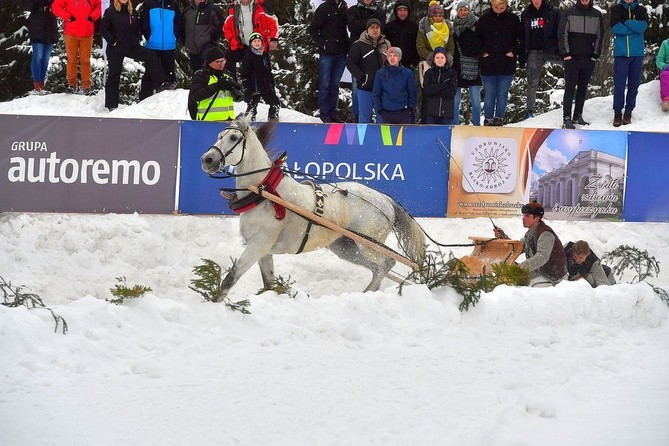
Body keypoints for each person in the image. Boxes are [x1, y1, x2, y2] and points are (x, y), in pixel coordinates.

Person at [100, 0, 175, 111]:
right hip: (115, 49)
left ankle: (161, 83)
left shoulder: (132, 11)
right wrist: (112, 41)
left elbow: (138, 28)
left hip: (131, 47)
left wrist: (137, 38)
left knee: (151, 55)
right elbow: (103, 28)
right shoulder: (111, 11)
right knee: (114, 75)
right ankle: (111, 105)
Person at [493, 201, 568, 287]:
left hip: (554, 278)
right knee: (512, 283)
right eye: (523, 215)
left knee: (524, 288)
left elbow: (542, 257)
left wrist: (521, 267)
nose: (523, 218)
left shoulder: (545, 233)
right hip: (541, 272)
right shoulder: (531, 232)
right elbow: (518, 247)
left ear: (537, 218)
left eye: (527, 216)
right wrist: (503, 237)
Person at [558, 0, 604, 129]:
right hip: (571, 58)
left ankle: (577, 115)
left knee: (583, 88)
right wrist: (566, 53)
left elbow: (600, 36)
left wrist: (595, 55)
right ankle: (566, 117)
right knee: (570, 87)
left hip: (588, 58)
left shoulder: (596, 14)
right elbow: (562, 33)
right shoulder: (569, 12)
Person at [476, 0, 523, 126]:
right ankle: (488, 118)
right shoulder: (484, 19)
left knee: (502, 93)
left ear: (506, 5)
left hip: (506, 63)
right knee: (489, 94)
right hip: (488, 63)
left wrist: (514, 51)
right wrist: (482, 52)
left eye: (501, 7)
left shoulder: (513, 19)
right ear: (491, 5)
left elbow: (521, 39)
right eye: (496, 7)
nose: (498, 9)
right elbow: (477, 39)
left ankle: (499, 118)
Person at [308, 0, 349, 123]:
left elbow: (349, 26)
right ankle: (324, 113)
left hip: (341, 52)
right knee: (325, 84)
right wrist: (323, 44)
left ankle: (333, 112)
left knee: (335, 84)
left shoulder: (343, 7)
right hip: (327, 54)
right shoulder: (324, 7)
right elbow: (313, 29)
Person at [346, 0, 386, 122]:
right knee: (356, 92)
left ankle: (381, 140)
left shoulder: (385, 43)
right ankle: (356, 117)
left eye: (376, 27)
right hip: (364, 83)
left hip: (381, 85)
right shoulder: (358, 44)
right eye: (371, 27)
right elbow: (352, 26)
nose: (374, 30)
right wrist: (361, 77)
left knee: (382, 117)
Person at [610, 0, 648, 127]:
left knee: (634, 84)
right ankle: (617, 112)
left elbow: (642, 27)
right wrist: (634, 29)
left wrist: (626, 22)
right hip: (621, 53)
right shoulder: (616, 9)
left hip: (636, 52)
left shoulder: (641, 10)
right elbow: (615, 28)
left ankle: (628, 111)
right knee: (619, 85)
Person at [520, 0, 560, 120]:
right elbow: (523, 35)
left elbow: (560, 30)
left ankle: (572, 100)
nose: (536, 1)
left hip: (551, 49)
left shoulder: (553, 11)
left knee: (570, 68)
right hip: (534, 51)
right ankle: (529, 111)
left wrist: (559, 48)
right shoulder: (526, 13)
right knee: (532, 82)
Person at [52, 0, 101, 95]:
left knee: (85, 61)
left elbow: (99, 6)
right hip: (71, 32)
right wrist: (68, 17)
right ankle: (71, 84)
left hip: (87, 32)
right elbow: (56, 7)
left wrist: (92, 17)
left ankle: (86, 86)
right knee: (71, 60)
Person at [138, 0, 184, 101]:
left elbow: (178, 21)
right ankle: (143, 100)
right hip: (152, 45)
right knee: (149, 74)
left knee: (169, 74)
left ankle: (168, 103)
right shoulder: (149, 3)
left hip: (169, 46)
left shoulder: (173, 4)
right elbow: (143, 21)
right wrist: (148, 36)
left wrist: (174, 36)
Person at [223, 0, 279, 81]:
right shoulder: (233, 8)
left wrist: (274, 39)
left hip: (258, 46)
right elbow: (226, 28)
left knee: (261, 73)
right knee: (228, 58)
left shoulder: (262, 6)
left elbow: (273, 23)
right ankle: (232, 85)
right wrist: (232, 40)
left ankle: (264, 91)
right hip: (240, 45)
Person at [188, 47, 242, 121]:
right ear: (210, 62)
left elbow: (238, 98)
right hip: (208, 120)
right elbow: (196, 96)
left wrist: (235, 90)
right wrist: (217, 86)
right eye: (218, 62)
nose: (221, 64)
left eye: (223, 61)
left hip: (228, 120)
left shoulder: (227, 75)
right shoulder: (201, 75)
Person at [451, 1, 482, 125]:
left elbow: (481, 43)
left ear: (469, 11)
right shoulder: (453, 27)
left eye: (465, 9)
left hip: (473, 65)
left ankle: (476, 124)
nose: (463, 12)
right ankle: (454, 124)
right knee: (455, 100)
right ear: (457, 12)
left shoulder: (476, 25)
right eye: (461, 10)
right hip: (457, 66)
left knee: (476, 101)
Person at [239, 32, 280, 122]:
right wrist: (247, 90)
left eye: (258, 41)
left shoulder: (265, 55)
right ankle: (249, 125)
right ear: (251, 43)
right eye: (254, 41)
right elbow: (244, 75)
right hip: (253, 88)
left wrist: (271, 85)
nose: (257, 43)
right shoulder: (248, 57)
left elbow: (269, 71)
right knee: (252, 109)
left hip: (266, 87)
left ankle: (273, 123)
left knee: (275, 103)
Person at [23, 0, 59, 95]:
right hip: (37, 21)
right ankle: (37, 85)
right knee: (38, 56)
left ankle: (41, 84)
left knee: (46, 58)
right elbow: (28, 5)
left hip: (50, 21)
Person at [372, 46, 417, 124]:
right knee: (386, 136)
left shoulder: (407, 73)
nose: (392, 58)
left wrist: (410, 108)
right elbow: (376, 93)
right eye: (390, 56)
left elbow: (412, 92)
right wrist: (379, 110)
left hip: (403, 113)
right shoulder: (380, 73)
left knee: (403, 136)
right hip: (386, 113)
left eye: (394, 56)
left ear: (399, 58)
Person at [416, 0, 454, 85]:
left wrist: (446, 58)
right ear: (430, 16)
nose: (438, 18)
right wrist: (434, 58)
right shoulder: (424, 28)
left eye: (440, 15)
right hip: (428, 63)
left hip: (445, 64)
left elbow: (451, 47)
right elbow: (420, 47)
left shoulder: (447, 28)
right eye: (435, 15)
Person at [182, 0, 225, 73]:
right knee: (197, 74)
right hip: (192, 50)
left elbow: (222, 25)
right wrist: (185, 42)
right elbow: (182, 28)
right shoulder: (187, 12)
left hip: (207, 46)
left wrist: (212, 37)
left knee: (209, 73)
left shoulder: (212, 9)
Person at [422, 46, 457, 125]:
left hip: (446, 114)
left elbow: (452, 92)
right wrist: (443, 85)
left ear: (446, 60)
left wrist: (434, 88)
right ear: (434, 59)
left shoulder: (452, 73)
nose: (440, 60)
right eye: (437, 57)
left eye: (442, 57)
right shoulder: (429, 73)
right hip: (431, 113)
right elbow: (427, 90)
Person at [384, 0, 419, 70]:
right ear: (396, 12)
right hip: (392, 64)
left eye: (405, 10)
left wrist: (414, 63)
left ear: (408, 11)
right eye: (400, 10)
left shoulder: (414, 27)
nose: (402, 13)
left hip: (409, 66)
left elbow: (418, 45)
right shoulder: (388, 27)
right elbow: (384, 46)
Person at [657, 37, 669, 112]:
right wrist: (665, 66)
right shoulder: (665, 43)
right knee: (666, 75)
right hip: (667, 69)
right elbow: (659, 60)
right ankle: (666, 100)